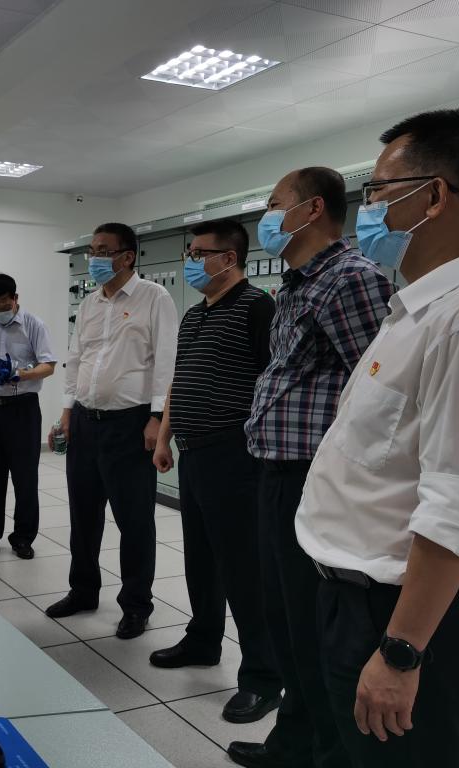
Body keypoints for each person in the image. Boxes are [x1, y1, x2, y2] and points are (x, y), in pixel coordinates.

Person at [295, 109, 459, 767]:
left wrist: (401, 653)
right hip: (355, 602)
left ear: (433, 197)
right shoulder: (415, 311)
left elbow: (452, 511)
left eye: (377, 191)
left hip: (401, 619)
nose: (366, 210)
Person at [230, 167, 393, 768]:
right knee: (284, 619)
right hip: (275, 473)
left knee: (311, 625)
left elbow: (380, 387)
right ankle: (293, 743)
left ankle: (328, 754)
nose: (266, 218)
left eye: (275, 205)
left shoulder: (350, 278)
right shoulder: (298, 284)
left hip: (312, 479)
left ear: (312, 209)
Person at [149, 219, 282, 724]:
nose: (191, 261)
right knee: (201, 557)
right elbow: (178, 381)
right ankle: (203, 639)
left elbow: (272, 382)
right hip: (194, 452)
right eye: (190, 252)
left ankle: (263, 676)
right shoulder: (194, 314)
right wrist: (165, 437)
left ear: (229, 258)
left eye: (199, 253)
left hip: (236, 455)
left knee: (244, 569)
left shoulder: (258, 307)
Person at [44, 222, 177, 640]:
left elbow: (166, 362)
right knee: (83, 516)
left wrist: (157, 418)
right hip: (86, 422)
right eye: (92, 250)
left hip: (130, 424)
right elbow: (76, 359)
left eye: (103, 250)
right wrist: (67, 413)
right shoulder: (89, 303)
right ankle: (83, 591)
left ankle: (136, 605)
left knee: (134, 520)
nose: (94, 258)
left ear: (127, 256)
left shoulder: (154, 298)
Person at [0, 273, 57, 560]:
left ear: (15, 298)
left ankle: (23, 537)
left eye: (3, 304)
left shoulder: (34, 325)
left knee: (25, 476)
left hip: (23, 408)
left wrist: (21, 374)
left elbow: (48, 365)